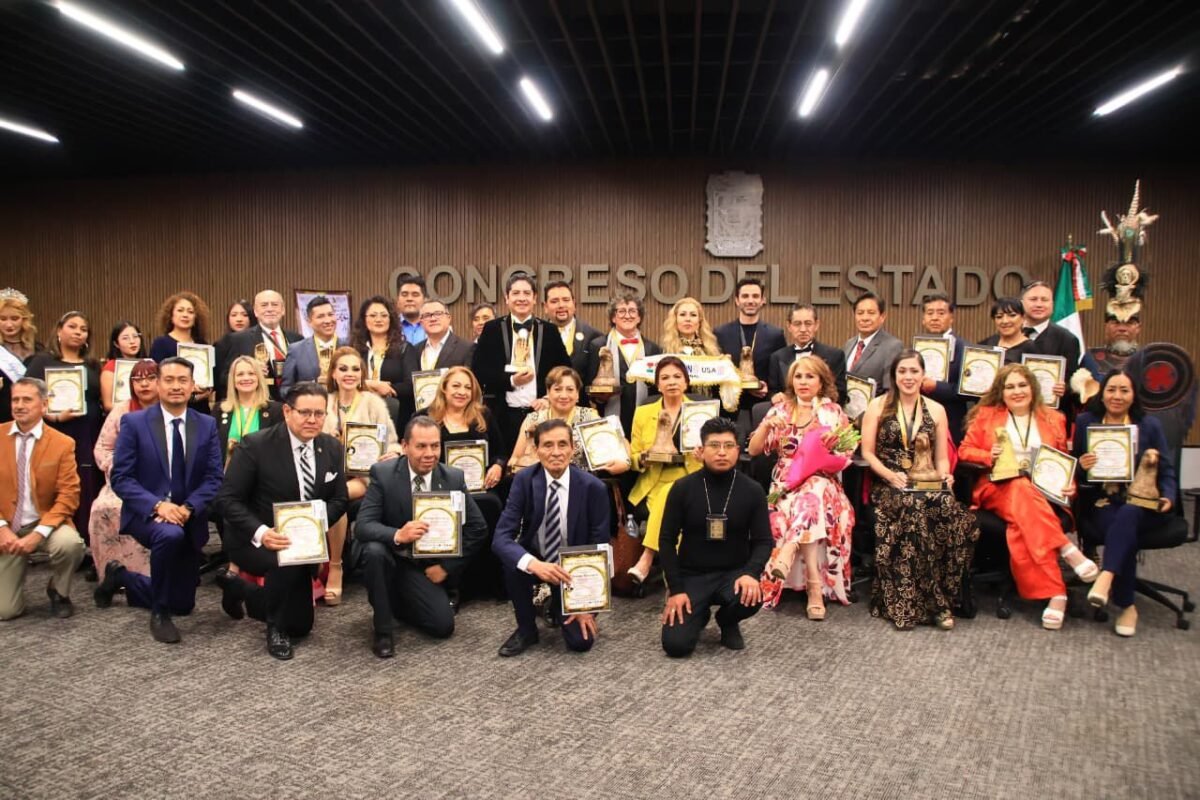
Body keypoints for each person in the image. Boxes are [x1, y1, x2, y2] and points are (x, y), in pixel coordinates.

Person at [214, 383, 349, 660]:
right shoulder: (255, 445)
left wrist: (311, 526)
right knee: (283, 566)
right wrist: (262, 532)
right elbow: (227, 500)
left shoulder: (332, 447)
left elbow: (340, 500)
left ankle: (239, 588)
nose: (312, 420)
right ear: (287, 411)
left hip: (302, 544)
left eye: (319, 414)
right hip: (255, 540)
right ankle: (275, 628)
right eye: (305, 412)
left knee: (302, 626)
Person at [959, 363, 1098, 630]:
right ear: (1001, 392)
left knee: (1022, 526)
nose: (1017, 391)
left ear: (1033, 388)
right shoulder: (987, 416)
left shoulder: (1054, 419)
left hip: (1044, 493)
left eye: (1022, 385)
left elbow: (1063, 462)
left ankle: (1056, 594)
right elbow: (965, 451)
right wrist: (988, 455)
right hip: (996, 488)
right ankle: (1066, 549)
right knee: (1020, 486)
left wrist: (1070, 485)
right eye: (1010, 387)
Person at [97, 358, 224, 644]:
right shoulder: (135, 423)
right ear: (157, 384)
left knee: (184, 604)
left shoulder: (206, 425)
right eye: (169, 380)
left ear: (192, 386)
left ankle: (123, 578)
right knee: (169, 534)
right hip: (148, 513)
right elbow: (122, 478)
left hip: (188, 515)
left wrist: (189, 507)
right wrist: (158, 506)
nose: (176, 386)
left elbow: (214, 477)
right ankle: (159, 612)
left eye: (182, 380)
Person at [860, 350, 979, 630]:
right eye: (902, 371)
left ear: (923, 375)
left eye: (914, 371)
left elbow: (941, 458)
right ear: (894, 375)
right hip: (889, 482)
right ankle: (927, 604)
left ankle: (939, 597)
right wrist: (890, 476)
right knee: (913, 509)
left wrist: (945, 475)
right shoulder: (877, 406)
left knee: (951, 512)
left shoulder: (936, 410)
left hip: (926, 481)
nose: (908, 377)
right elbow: (867, 453)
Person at [355, 416, 489, 658]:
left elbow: (477, 528)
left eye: (435, 446)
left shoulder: (453, 478)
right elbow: (363, 526)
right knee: (373, 551)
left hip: (424, 566)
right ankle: (382, 629)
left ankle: (396, 597)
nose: (429, 454)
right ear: (405, 446)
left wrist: (446, 567)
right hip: (390, 556)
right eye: (421, 446)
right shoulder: (383, 474)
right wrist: (398, 534)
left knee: (442, 626)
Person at [491, 418, 611, 656]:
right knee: (513, 562)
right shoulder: (524, 480)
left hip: (575, 568)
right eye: (547, 445)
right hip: (538, 558)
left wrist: (585, 605)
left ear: (572, 448)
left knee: (580, 643)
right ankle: (526, 629)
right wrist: (533, 564)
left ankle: (558, 604)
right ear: (536, 449)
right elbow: (501, 538)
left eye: (562, 444)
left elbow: (599, 549)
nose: (556, 452)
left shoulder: (594, 488)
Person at [747, 355, 855, 616]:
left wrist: (831, 446)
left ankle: (792, 553)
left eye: (810, 376)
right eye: (798, 376)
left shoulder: (832, 413)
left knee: (814, 490)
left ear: (821, 382)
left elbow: (847, 452)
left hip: (824, 482)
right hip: (785, 485)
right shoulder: (780, 411)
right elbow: (753, 450)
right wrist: (766, 426)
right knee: (808, 501)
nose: (803, 382)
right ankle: (813, 587)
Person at [1075, 370, 1176, 637]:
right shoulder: (1086, 422)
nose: (1117, 396)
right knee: (1122, 525)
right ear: (1102, 394)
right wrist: (1082, 466)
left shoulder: (1149, 425)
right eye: (1111, 389)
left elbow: (1166, 469)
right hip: (1104, 501)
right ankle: (1127, 605)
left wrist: (1168, 496)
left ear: (1133, 396)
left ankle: (1106, 577)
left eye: (1124, 390)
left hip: (1145, 502)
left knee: (1129, 513)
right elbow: (1075, 469)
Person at [659, 417, 771, 657]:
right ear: (701, 450)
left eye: (728, 446)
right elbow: (666, 540)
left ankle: (727, 620)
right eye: (714, 445)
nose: (722, 452)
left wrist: (751, 573)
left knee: (752, 596)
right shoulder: (682, 488)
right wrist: (676, 589)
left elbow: (763, 541)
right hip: (692, 575)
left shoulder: (752, 490)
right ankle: (698, 615)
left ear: (738, 450)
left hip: (734, 574)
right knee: (676, 646)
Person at [321, 347, 401, 604]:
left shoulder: (372, 402)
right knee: (323, 490)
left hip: (363, 476)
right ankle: (312, 564)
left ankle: (335, 566)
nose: (349, 374)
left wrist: (392, 453)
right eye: (343, 368)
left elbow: (392, 442)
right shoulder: (323, 402)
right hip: (327, 473)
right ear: (333, 373)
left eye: (355, 369)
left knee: (336, 496)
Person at [0, 377, 85, 620]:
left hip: (44, 522)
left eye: (27, 399)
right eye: (15, 400)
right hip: (5, 526)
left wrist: (39, 533)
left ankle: (59, 590)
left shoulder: (62, 443)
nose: (19, 405)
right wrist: (2, 528)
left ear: (44, 404)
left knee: (70, 544)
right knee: (6, 612)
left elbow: (69, 496)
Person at [26, 311, 103, 568]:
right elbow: (27, 398)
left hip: (89, 433)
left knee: (87, 485)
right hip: (56, 433)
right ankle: (62, 544)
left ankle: (86, 545)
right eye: (72, 326)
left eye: (83, 328)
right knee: (60, 486)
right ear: (59, 330)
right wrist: (55, 417)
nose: (78, 332)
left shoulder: (92, 365)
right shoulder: (42, 361)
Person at [471, 272, 570, 450]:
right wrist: (511, 381)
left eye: (527, 293)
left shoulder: (549, 330)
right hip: (502, 416)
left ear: (535, 298)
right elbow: (479, 371)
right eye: (516, 293)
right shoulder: (492, 329)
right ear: (507, 298)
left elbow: (565, 371)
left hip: (541, 416)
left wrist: (548, 398)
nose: (521, 298)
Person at [626, 356, 703, 584]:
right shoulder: (642, 413)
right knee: (669, 501)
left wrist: (704, 457)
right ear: (657, 385)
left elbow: (717, 452)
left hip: (692, 478)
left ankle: (647, 557)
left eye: (677, 377)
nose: (671, 382)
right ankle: (677, 580)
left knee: (671, 496)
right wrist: (644, 459)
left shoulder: (702, 412)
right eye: (665, 378)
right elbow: (632, 457)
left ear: (686, 382)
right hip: (653, 481)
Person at [89, 359, 159, 582]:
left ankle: (149, 575)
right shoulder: (121, 410)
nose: (144, 384)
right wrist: (119, 467)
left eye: (150, 379)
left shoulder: (169, 408)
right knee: (103, 508)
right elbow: (103, 448)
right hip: (125, 479)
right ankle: (112, 573)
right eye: (137, 380)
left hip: (160, 480)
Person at [584, 291, 662, 438]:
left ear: (639, 317)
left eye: (632, 311)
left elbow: (656, 390)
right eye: (621, 311)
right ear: (613, 317)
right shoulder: (598, 345)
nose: (627, 315)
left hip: (643, 417)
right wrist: (600, 397)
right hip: (608, 414)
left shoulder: (653, 348)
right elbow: (590, 383)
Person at [715, 278, 785, 434]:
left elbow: (779, 374)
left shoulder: (775, 335)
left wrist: (767, 388)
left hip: (763, 407)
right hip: (728, 408)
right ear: (737, 300)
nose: (750, 301)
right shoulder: (721, 333)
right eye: (745, 296)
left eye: (755, 296)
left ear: (763, 300)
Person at [506, 366, 603, 472]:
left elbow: (608, 455)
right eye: (557, 389)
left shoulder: (590, 418)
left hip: (580, 479)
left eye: (570, 390)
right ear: (548, 392)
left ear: (577, 394)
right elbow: (515, 459)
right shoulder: (533, 419)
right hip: (540, 479)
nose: (564, 395)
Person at [427, 366, 507, 492]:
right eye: (456, 386)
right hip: (438, 489)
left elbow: (500, 453)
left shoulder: (484, 415)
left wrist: (498, 466)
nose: (462, 392)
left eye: (468, 388)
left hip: (481, 489)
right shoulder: (426, 417)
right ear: (444, 388)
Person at [218, 289, 303, 401]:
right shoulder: (238, 340)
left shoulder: (297, 339)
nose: (270, 309)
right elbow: (223, 378)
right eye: (264, 305)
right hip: (258, 403)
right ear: (255, 312)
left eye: (275, 305)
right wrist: (250, 372)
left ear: (283, 310)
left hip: (293, 403)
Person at [401, 299, 475, 413]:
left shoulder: (467, 348)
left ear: (449, 318)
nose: (433, 318)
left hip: (454, 414)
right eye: (427, 315)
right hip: (421, 415)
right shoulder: (414, 350)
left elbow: (470, 385)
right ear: (421, 322)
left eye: (438, 314)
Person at [767, 303, 846, 404]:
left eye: (808, 324)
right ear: (789, 326)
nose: (803, 329)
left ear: (816, 325)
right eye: (797, 324)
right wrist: (775, 396)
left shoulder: (835, 356)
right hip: (787, 411)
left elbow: (840, 394)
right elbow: (771, 391)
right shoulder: (777, 357)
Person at [350, 295, 409, 427]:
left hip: (394, 415)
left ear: (391, 319)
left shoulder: (404, 349)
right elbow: (344, 379)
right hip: (358, 413)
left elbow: (410, 385)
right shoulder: (354, 349)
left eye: (383, 315)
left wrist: (388, 389)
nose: (378, 319)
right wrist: (371, 384)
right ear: (364, 319)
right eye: (373, 315)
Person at [917, 293, 969, 443]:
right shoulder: (916, 348)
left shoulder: (964, 348)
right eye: (930, 313)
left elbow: (969, 392)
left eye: (941, 313)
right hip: (919, 423)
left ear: (951, 318)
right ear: (923, 319)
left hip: (951, 423)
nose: (935, 318)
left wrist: (937, 387)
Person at [543, 281, 601, 396]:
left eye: (566, 300)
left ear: (574, 304)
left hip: (580, 405)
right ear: (545, 307)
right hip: (543, 405)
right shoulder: (536, 334)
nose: (561, 305)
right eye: (554, 301)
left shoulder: (594, 337)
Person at [282, 295, 346, 395]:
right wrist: (309, 389)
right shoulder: (296, 350)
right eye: (321, 316)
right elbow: (285, 389)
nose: (328, 320)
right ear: (309, 322)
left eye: (330, 314)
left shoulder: (349, 347)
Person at [842, 292, 903, 393]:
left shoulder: (893, 346)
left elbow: (890, 390)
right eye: (860, 313)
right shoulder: (849, 344)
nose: (865, 318)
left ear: (882, 316)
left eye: (871, 313)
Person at [0, 288, 44, 425]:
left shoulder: (39, 349)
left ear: (24, 320)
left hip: (34, 418)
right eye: (2, 319)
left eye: (14, 318)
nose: (9, 324)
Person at [1021, 280, 1081, 375]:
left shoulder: (1067, 340)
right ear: (1021, 303)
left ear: (1052, 305)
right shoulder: (1010, 332)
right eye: (1033, 299)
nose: (1039, 305)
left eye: (1044, 300)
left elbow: (1070, 378)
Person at [149, 290, 211, 361]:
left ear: (196, 318)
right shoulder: (160, 344)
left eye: (190, 312)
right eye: (180, 310)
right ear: (171, 315)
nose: (185, 315)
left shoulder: (202, 345)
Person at [100, 320, 147, 413]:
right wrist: (133, 411)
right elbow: (108, 405)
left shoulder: (148, 364)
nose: (132, 341)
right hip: (121, 417)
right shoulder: (110, 367)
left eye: (135, 336)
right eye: (125, 338)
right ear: (116, 343)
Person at [213, 298, 255, 400]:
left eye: (244, 315)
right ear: (228, 318)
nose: (239, 319)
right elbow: (217, 379)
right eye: (234, 315)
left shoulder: (259, 343)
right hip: (227, 398)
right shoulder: (220, 344)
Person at [980, 297, 1037, 365]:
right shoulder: (987, 343)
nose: (1005, 321)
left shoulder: (1032, 349)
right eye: (999, 317)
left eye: (1012, 315)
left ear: (1023, 318)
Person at [395, 274, 428, 346]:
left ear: (425, 300)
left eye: (415, 295)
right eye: (404, 295)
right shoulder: (390, 326)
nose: (409, 299)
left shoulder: (434, 325)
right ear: (397, 301)